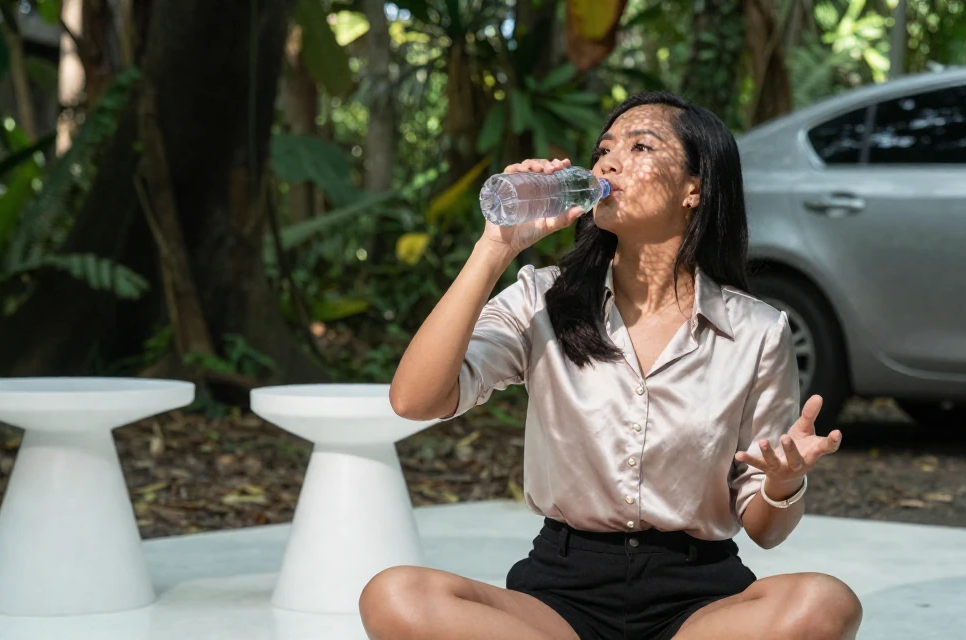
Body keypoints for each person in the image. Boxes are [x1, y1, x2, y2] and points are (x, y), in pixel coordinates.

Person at [361, 91, 862, 640]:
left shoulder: (757, 330)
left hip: (699, 605)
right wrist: (495, 248)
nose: (608, 162)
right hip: (558, 598)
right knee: (394, 596)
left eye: (640, 145)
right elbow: (415, 400)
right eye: (603, 150)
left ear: (695, 188)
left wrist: (782, 484)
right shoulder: (541, 300)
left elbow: (765, 532)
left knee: (824, 603)